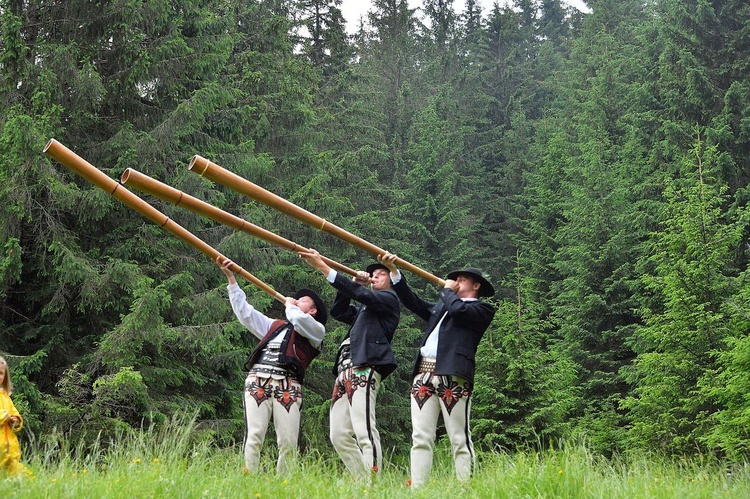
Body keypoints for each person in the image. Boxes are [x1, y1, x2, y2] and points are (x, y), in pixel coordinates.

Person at [380, 252, 496, 488]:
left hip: (452, 375)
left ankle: (466, 488)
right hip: (423, 374)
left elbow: (459, 311)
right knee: (420, 437)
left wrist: (447, 291)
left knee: (458, 437)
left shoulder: (482, 310)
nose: (456, 282)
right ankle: (418, 489)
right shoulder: (443, 307)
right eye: (456, 279)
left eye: (462, 279)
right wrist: (394, 272)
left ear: (476, 286)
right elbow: (414, 302)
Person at [216, 257, 327, 475]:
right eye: (296, 299)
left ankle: (283, 485)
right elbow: (246, 314)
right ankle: (248, 482)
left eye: (302, 300)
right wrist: (232, 280)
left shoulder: (316, 331)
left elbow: (299, 320)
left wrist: (289, 306)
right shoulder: (274, 326)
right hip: (258, 380)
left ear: (312, 311)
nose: (296, 300)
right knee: (254, 435)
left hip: (288, 386)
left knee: (287, 442)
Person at [297, 249, 400, 481]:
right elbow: (339, 311)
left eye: (382, 274)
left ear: (392, 281)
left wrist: (323, 267)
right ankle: (363, 481)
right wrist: (352, 283)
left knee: (364, 429)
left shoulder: (390, 299)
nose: (375, 276)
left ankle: (373, 484)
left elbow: (365, 296)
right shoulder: (366, 310)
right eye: (373, 273)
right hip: (344, 370)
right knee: (339, 434)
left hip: (364, 367)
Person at [0, 356, 32, 478]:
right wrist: (4, 416)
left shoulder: (5, 397)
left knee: (24, 476)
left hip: (8, 449)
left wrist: (16, 421)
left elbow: (14, 413)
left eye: (0, 373)